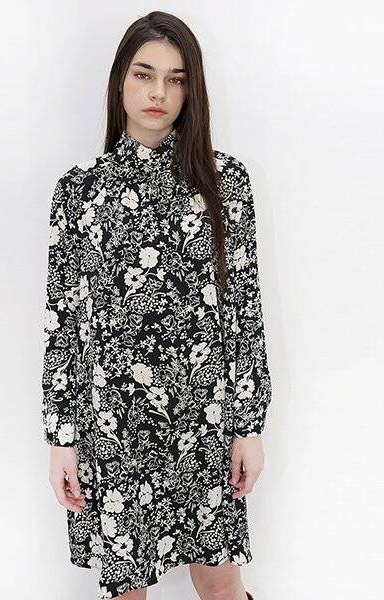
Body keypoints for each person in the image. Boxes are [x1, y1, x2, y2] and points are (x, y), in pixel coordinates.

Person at [41, 10, 272, 600]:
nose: (158, 93)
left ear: (192, 90)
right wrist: (61, 437)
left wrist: (247, 428)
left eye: (176, 79)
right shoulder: (79, 190)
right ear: (120, 79)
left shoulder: (225, 183)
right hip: (112, 425)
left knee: (220, 583)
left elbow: (243, 309)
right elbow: (64, 321)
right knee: (126, 589)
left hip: (204, 420)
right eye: (144, 74)